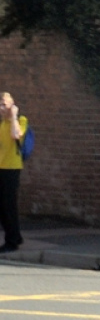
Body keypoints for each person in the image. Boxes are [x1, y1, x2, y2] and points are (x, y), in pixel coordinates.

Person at [0, 92, 28, 253]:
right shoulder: (0, 124)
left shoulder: (21, 121)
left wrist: (14, 116)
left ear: (12, 105)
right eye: (0, 105)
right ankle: (14, 236)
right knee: (2, 207)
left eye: (5, 104)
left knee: (9, 205)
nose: (2, 108)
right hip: (0, 167)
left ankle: (12, 241)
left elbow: (15, 135)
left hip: (12, 168)